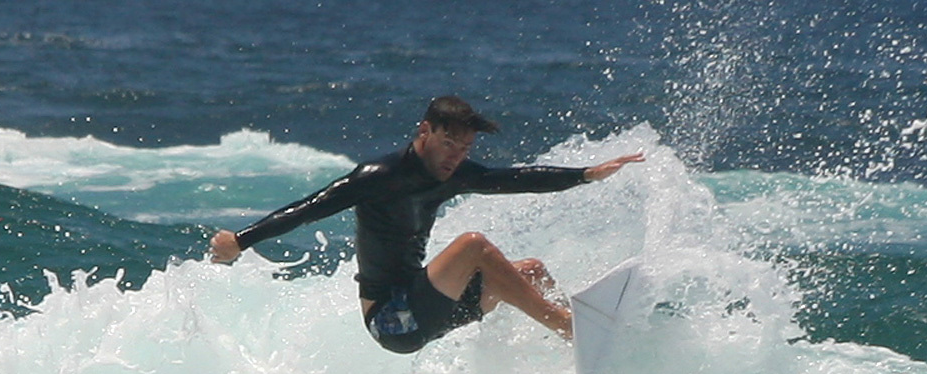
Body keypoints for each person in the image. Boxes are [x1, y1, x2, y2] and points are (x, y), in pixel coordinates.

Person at [210, 96, 643, 354]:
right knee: (473, 245)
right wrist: (241, 241)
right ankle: (571, 327)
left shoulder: (454, 174)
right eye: (448, 143)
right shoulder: (377, 177)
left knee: (528, 271)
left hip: (429, 309)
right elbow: (307, 208)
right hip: (392, 322)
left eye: (464, 147)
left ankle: (576, 350)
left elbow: (513, 179)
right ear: (425, 131)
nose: (455, 155)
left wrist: (585, 174)